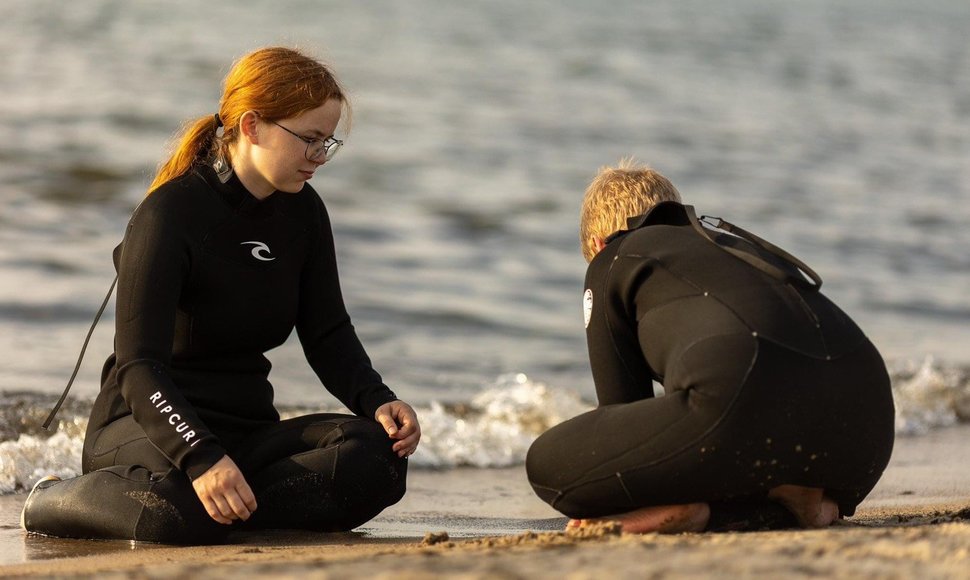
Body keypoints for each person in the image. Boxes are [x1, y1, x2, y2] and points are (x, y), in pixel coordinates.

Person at [21, 47, 420, 544]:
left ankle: (222, 511)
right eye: (310, 140)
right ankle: (50, 500)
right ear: (252, 126)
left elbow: (327, 333)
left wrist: (378, 400)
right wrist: (203, 458)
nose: (320, 157)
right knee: (173, 511)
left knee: (377, 458)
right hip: (148, 430)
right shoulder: (169, 216)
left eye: (328, 143)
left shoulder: (304, 214)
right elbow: (138, 367)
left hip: (245, 429)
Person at [525, 160, 895, 533]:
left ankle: (680, 504)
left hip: (743, 394)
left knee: (544, 462)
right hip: (866, 427)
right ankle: (798, 493)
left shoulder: (611, 257)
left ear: (595, 243)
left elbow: (620, 413)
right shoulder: (729, 245)